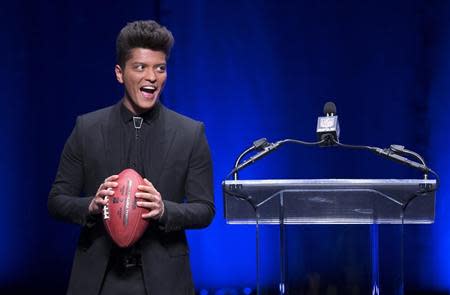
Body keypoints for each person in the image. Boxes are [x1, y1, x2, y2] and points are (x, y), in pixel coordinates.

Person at [48, 20, 215, 295]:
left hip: (165, 281)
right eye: (140, 67)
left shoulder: (190, 133)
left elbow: (205, 209)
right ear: (119, 73)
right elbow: (56, 200)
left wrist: (165, 210)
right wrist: (90, 206)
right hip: (98, 281)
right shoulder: (87, 129)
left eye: (160, 68)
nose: (152, 77)